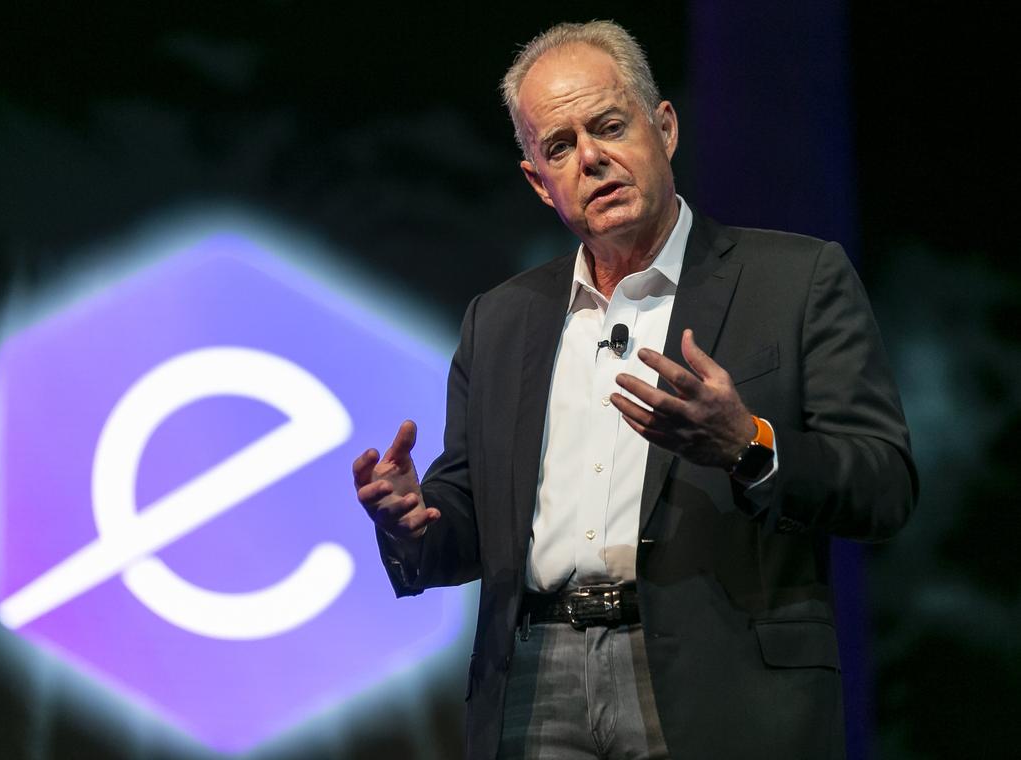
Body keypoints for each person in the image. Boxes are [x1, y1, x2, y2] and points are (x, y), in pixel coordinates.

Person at [352, 20, 915, 760]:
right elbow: (471, 522)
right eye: (559, 146)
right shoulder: (502, 319)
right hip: (534, 681)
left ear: (665, 127)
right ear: (537, 180)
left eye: (610, 125)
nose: (591, 158)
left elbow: (883, 485)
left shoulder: (797, 280)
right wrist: (415, 521)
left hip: (716, 678)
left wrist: (750, 446)